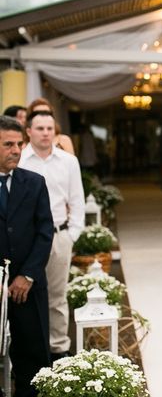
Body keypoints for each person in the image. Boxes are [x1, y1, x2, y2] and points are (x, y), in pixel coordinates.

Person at [19, 111, 85, 361]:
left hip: (58, 237)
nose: (45, 133)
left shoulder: (68, 162)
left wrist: (72, 236)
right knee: (25, 296)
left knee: (57, 298)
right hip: (27, 239)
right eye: (40, 128)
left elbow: (77, 201)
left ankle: (58, 349)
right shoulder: (21, 160)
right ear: (29, 132)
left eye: (49, 128)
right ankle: (30, 350)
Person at [0, 116, 54, 397]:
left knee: (32, 357)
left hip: (28, 287)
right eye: (8, 144)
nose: (16, 150)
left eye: (19, 144)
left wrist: (28, 275)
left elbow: (45, 231)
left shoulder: (34, 183)